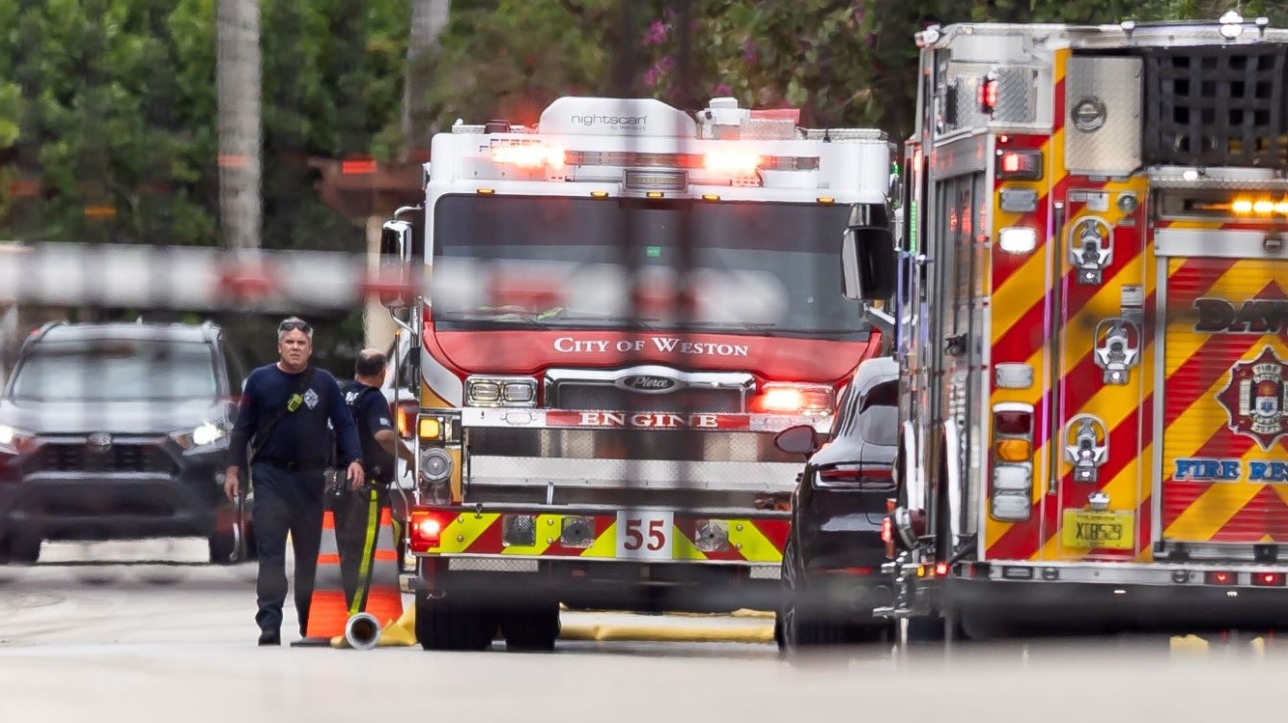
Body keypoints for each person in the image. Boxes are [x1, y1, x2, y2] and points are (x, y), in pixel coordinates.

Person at [224, 316, 364, 646]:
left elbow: (344, 425)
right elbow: (242, 429)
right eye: (290, 342)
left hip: (311, 480)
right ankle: (269, 624)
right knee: (271, 552)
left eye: (301, 343)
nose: (296, 347)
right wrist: (234, 470)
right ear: (280, 346)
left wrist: (354, 460)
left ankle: (309, 623)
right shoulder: (259, 380)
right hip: (270, 476)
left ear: (310, 348)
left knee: (308, 556)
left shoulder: (325, 383)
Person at [333, 348, 414, 614]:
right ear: (383, 372)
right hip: (365, 487)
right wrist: (409, 456)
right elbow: (383, 435)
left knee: (341, 549)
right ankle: (354, 614)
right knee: (361, 553)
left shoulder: (342, 393)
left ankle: (340, 611)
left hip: (336, 482)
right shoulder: (373, 398)